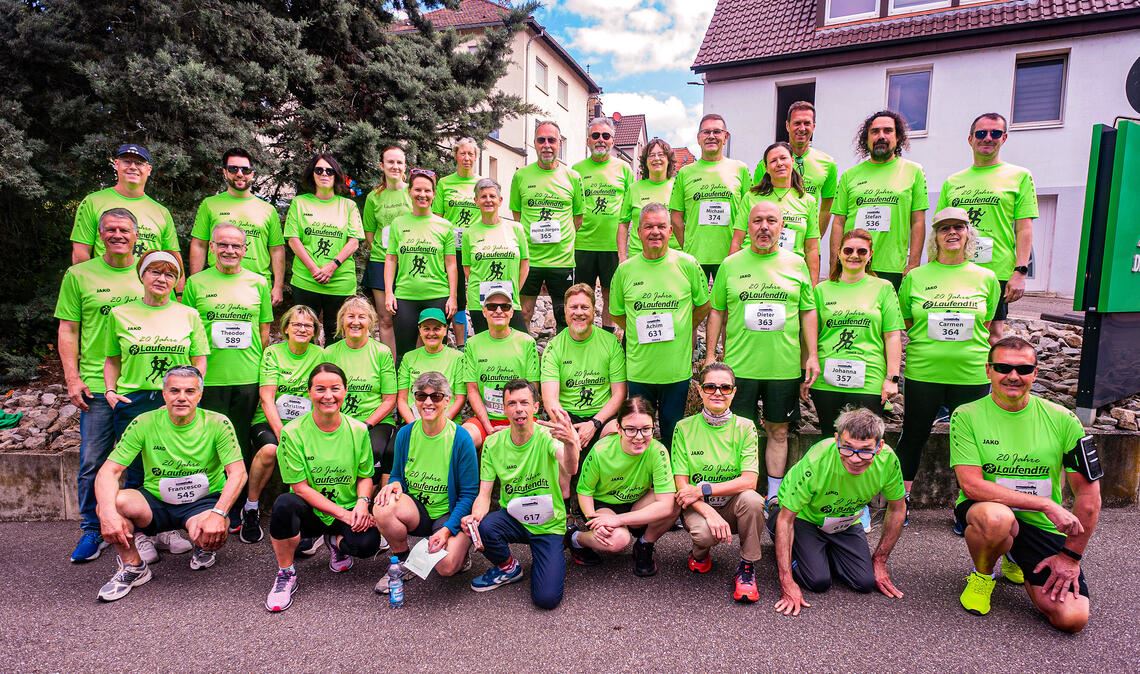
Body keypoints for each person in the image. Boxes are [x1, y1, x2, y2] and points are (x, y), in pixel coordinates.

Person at [951, 337, 1099, 633]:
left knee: (1071, 618)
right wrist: (1046, 503)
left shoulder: (1064, 419)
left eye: (1023, 369)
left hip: (1039, 525)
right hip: (989, 511)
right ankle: (982, 575)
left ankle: (1014, 556)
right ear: (988, 371)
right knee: (997, 519)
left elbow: (1088, 494)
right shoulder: (966, 415)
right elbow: (972, 486)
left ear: (1035, 372)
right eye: (1003, 367)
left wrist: (1070, 557)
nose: (1013, 376)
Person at [93, 366, 246, 601]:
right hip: (157, 501)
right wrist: (106, 513)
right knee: (111, 504)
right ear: (164, 394)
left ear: (200, 395)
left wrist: (218, 513)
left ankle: (202, 547)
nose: (181, 397)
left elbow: (238, 473)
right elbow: (108, 472)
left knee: (212, 530)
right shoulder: (144, 422)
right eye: (174, 390)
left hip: (202, 503)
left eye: (189, 391)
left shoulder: (218, 423)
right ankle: (134, 567)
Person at [706, 201, 819, 511]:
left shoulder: (796, 264)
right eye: (757, 221)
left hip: (782, 368)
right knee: (738, 432)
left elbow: (808, 312)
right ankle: (741, 494)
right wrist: (711, 356)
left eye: (771, 220)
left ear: (782, 227)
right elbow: (717, 312)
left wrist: (811, 356)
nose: (764, 227)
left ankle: (773, 494)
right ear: (748, 227)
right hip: (740, 367)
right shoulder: (731, 264)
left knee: (778, 430)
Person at [896, 207, 1000, 516]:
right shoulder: (916, 277)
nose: (952, 233)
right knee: (914, 435)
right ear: (935, 237)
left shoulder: (986, 277)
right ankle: (901, 504)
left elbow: (986, 323)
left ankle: (968, 508)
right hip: (924, 372)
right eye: (944, 228)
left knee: (974, 444)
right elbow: (908, 321)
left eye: (958, 227)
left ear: (969, 233)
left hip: (971, 375)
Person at [56, 208, 144, 562]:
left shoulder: (149, 272)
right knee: (93, 460)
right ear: (99, 234)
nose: (117, 234)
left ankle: (144, 528)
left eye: (124, 229)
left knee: (141, 461)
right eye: (110, 229)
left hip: (139, 384)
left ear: (137, 235)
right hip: (95, 384)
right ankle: (93, 529)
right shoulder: (79, 275)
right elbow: (69, 329)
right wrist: (71, 377)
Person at [265, 364, 381, 613]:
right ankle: (286, 573)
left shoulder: (358, 430)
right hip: (312, 511)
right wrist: (344, 515)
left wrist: (362, 503)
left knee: (368, 544)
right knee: (284, 505)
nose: (328, 395)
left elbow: (365, 476)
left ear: (346, 391)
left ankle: (334, 542)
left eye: (335, 388)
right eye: (320, 389)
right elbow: (300, 487)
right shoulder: (293, 433)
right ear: (309, 393)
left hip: (347, 506)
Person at [770, 408, 906, 617]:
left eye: (865, 450)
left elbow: (897, 509)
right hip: (804, 518)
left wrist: (879, 561)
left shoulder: (888, 460)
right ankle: (775, 527)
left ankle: (822, 551)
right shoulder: (817, 461)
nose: (854, 458)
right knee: (817, 581)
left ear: (880, 446)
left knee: (864, 582)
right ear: (837, 440)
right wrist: (786, 581)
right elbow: (787, 519)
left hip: (845, 520)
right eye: (848, 448)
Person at [182, 223, 274, 531]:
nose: (230, 251)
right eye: (223, 245)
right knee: (213, 443)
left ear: (245, 250)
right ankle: (215, 504)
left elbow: (264, 331)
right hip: (211, 378)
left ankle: (242, 505)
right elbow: (189, 331)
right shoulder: (196, 283)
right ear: (211, 247)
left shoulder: (258, 283)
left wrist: (263, 372)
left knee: (242, 442)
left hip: (247, 375)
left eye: (236, 246)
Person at [463, 380, 581, 609]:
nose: (519, 409)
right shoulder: (494, 443)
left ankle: (556, 546)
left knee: (546, 599)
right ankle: (509, 568)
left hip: (548, 523)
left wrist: (569, 443)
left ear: (535, 407)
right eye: (512, 403)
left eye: (524, 402)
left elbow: (571, 467)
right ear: (504, 409)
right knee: (485, 527)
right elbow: (485, 494)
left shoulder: (546, 436)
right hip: (514, 519)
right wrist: (475, 517)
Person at [610, 203, 710, 448]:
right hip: (639, 371)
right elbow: (618, 314)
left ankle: (669, 484)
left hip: (675, 372)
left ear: (670, 231)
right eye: (648, 226)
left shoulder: (687, 264)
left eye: (661, 226)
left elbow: (703, 305)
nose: (655, 231)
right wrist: (636, 329)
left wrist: (684, 326)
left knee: (671, 435)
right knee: (637, 434)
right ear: (639, 232)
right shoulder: (625, 271)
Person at [372, 372, 479, 593]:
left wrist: (448, 529)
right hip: (418, 511)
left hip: (448, 513)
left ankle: (460, 547)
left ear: (447, 400)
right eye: (421, 396)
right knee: (382, 505)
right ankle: (403, 559)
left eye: (436, 396)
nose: (428, 402)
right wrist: (394, 484)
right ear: (414, 400)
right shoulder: (405, 434)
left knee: (446, 568)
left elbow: (469, 495)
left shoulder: (460, 438)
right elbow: (397, 475)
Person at [937, 113, 1038, 343]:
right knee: (952, 327)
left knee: (992, 333)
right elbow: (940, 229)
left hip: (996, 270)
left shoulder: (1019, 176)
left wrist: (1020, 271)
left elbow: (1024, 227)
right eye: (981, 133)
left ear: (1004, 138)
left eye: (995, 133)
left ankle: (987, 379)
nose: (988, 138)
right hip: (956, 268)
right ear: (970, 139)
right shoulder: (952, 181)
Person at [671, 363, 766, 603]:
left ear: (734, 391)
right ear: (700, 391)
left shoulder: (745, 427)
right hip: (698, 506)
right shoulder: (683, 428)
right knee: (703, 534)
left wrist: (704, 488)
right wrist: (708, 512)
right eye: (710, 386)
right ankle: (699, 553)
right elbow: (681, 485)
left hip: (732, 503)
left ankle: (747, 567)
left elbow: (750, 480)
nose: (718, 392)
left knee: (753, 501)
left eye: (725, 387)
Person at [104, 250, 209, 456]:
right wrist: (110, 392)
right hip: (132, 401)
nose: (162, 279)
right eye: (155, 272)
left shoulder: (189, 314)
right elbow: (112, 359)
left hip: (176, 400)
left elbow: (199, 361)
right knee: (134, 467)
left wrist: (189, 394)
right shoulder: (119, 314)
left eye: (169, 275)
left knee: (175, 464)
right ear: (142, 275)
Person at [241, 306, 326, 544]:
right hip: (270, 421)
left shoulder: (320, 355)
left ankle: (311, 515)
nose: (301, 329)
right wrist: (282, 433)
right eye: (296, 324)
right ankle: (251, 507)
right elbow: (267, 397)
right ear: (286, 328)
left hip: (306, 423)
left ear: (314, 332)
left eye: (308, 325)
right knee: (269, 449)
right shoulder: (273, 353)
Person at [809, 229, 903, 437]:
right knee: (830, 439)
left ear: (870, 255)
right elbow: (810, 335)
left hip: (868, 379)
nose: (854, 255)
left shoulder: (883, 288)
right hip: (827, 380)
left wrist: (892, 378)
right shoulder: (822, 290)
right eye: (848, 250)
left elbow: (892, 335)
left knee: (865, 441)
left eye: (861, 251)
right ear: (839, 254)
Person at [568, 396, 675, 576]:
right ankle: (575, 538)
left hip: (636, 501)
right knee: (618, 540)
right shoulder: (602, 450)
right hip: (604, 504)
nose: (639, 437)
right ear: (619, 428)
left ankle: (644, 545)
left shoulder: (657, 450)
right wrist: (592, 519)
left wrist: (620, 520)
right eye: (631, 430)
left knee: (675, 500)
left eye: (646, 429)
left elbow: (666, 505)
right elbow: (584, 491)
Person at [829, 110, 928, 291]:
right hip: (853, 264)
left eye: (888, 131)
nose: (881, 136)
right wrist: (834, 263)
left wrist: (913, 264)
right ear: (866, 139)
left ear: (898, 137)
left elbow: (918, 221)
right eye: (875, 132)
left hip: (893, 268)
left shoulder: (914, 172)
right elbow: (838, 223)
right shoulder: (849, 176)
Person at [510, 120, 584, 333]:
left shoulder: (573, 177)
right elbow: (518, 215)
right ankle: (525, 357)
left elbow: (577, 218)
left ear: (559, 143)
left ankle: (562, 359)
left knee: (564, 315)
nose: (547, 145)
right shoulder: (521, 176)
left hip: (561, 260)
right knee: (524, 312)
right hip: (529, 259)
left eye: (551, 140)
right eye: (541, 140)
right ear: (534, 143)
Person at [284, 152, 364, 344]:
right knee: (304, 334)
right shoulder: (300, 203)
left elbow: (354, 241)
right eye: (319, 170)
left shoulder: (348, 206)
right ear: (312, 174)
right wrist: (314, 269)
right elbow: (293, 239)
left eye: (329, 170)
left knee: (336, 336)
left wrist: (332, 266)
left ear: (336, 175)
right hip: (306, 280)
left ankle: (333, 374)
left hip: (339, 282)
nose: (324, 174)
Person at [188, 148, 285, 305]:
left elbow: (276, 249)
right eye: (233, 169)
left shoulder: (268, 210)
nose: (240, 174)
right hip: (217, 282)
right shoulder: (210, 204)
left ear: (252, 173)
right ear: (225, 172)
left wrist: (278, 286)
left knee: (256, 329)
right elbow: (199, 244)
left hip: (257, 285)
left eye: (245, 169)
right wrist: (195, 281)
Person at [70, 144, 181, 279]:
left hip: (151, 291)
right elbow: (81, 252)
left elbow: (172, 256)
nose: (133, 167)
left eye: (139, 163)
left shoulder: (161, 211)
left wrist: (179, 294)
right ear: (116, 164)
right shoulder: (93, 202)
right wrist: (87, 286)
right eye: (127, 161)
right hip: (107, 286)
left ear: (149, 169)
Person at [540, 283, 626, 455]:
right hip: (567, 416)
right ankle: (564, 482)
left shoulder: (610, 343)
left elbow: (619, 394)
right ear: (565, 311)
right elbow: (550, 399)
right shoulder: (554, 347)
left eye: (585, 307)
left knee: (620, 436)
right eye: (573, 307)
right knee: (551, 440)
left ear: (594, 311)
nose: (579, 312)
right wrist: (567, 428)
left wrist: (594, 423)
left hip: (602, 416)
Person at [323, 297, 398, 485]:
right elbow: (323, 394)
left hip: (375, 422)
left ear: (371, 322)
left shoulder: (382, 352)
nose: (355, 322)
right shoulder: (329, 353)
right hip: (339, 420)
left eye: (362, 317)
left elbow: (389, 399)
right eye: (350, 316)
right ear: (341, 321)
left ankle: (368, 500)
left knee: (371, 451)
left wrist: (366, 425)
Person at [669, 114, 752, 282]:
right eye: (706, 132)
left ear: (725, 137)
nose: (711, 136)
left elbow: (749, 213)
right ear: (699, 138)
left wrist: (742, 247)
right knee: (697, 306)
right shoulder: (685, 172)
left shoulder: (740, 169)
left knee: (729, 306)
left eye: (717, 132)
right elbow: (676, 216)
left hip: (731, 254)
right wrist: (687, 245)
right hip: (695, 255)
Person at [385, 168, 457, 360]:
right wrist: (389, 293)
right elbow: (391, 259)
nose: (422, 195)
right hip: (405, 296)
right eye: (418, 190)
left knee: (435, 352)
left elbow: (451, 264)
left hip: (437, 295)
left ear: (434, 194)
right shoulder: (398, 224)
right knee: (404, 353)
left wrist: (453, 297)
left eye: (427, 191)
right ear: (410, 192)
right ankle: (404, 391)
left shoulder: (444, 226)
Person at [572, 117, 633, 329]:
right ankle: (584, 335)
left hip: (613, 246)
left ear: (612, 141)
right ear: (588, 140)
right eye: (595, 135)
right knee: (582, 295)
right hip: (583, 244)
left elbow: (629, 211)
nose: (600, 140)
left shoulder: (624, 170)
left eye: (605, 136)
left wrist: (624, 250)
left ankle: (607, 336)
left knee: (610, 294)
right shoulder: (576, 170)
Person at [460, 290, 540, 449]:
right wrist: (488, 426)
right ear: (484, 312)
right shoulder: (473, 344)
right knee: (463, 439)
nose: (498, 311)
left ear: (511, 312)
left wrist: (514, 425)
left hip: (521, 417)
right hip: (486, 419)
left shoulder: (526, 342)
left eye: (504, 307)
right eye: (492, 307)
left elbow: (533, 389)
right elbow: (472, 390)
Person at [733, 142, 820, 284]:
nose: (779, 164)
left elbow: (812, 248)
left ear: (792, 161)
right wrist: (733, 275)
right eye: (773, 161)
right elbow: (737, 240)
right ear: (766, 168)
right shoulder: (751, 197)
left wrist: (813, 284)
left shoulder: (807, 200)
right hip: (753, 269)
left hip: (791, 272)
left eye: (783, 158)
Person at [759, 101, 838, 242]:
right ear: (787, 126)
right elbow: (755, 201)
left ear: (813, 126)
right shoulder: (768, 163)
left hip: (807, 245)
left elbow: (826, 208)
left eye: (807, 123)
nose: (802, 128)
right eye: (797, 123)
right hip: (772, 241)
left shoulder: (828, 163)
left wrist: (813, 240)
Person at [462, 178, 529, 334]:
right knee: (485, 344)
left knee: (518, 341)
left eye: (492, 196)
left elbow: (525, 263)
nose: (488, 200)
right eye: (483, 196)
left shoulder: (516, 228)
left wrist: (514, 289)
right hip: (480, 302)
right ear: (476, 201)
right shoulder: (469, 233)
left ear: (500, 200)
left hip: (510, 299)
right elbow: (467, 269)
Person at [433, 138, 482, 347]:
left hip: (475, 247)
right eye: (463, 153)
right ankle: (458, 344)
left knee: (478, 293)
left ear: (476, 157)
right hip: (450, 248)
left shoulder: (480, 183)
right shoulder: (445, 183)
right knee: (455, 296)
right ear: (455, 155)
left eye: (471, 154)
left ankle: (480, 339)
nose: (467, 158)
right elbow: (437, 216)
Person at [363, 145, 412, 355]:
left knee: (409, 317)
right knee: (385, 318)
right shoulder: (373, 197)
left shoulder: (413, 192)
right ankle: (389, 367)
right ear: (381, 165)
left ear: (405, 166)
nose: (395, 166)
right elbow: (370, 233)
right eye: (390, 162)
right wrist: (386, 254)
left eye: (399, 162)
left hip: (410, 264)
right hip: (381, 262)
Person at [396, 309, 468, 423]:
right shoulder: (409, 357)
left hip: (447, 422)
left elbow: (460, 398)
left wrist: (440, 424)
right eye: (426, 329)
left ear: (445, 330)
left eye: (436, 329)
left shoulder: (458, 358)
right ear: (420, 330)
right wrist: (414, 425)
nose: (431, 333)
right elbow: (402, 399)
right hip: (414, 421)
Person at [618, 137, 679, 261]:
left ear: (669, 160)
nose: (656, 158)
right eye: (651, 155)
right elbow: (623, 225)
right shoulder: (634, 188)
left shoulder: (678, 187)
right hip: (638, 257)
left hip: (672, 257)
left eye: (661, 155)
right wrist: (622, 257)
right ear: (645, 162)